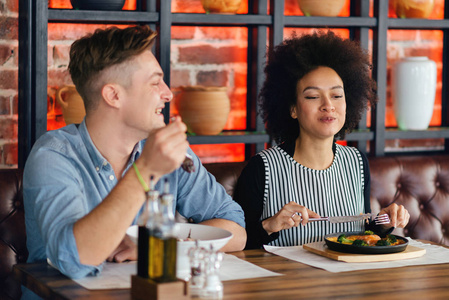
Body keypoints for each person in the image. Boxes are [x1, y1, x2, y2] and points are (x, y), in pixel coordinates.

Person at [22, 25, 246, 295]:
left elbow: (235, 229)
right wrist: (146, 170)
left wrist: (153, 244)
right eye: (155, 82)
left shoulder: (171, 153)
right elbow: (75, 260)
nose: (168, 93)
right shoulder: (53, 155)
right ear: (113, 95)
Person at [233, 31, 410, 249]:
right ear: (292, 109)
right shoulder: (262, 168)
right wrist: (270, 225)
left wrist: (384, 221)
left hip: (348, 280)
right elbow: (238, 243)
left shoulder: (356, 162)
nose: (328, 105)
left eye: (337, 95)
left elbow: (359, 236)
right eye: (312, 96)